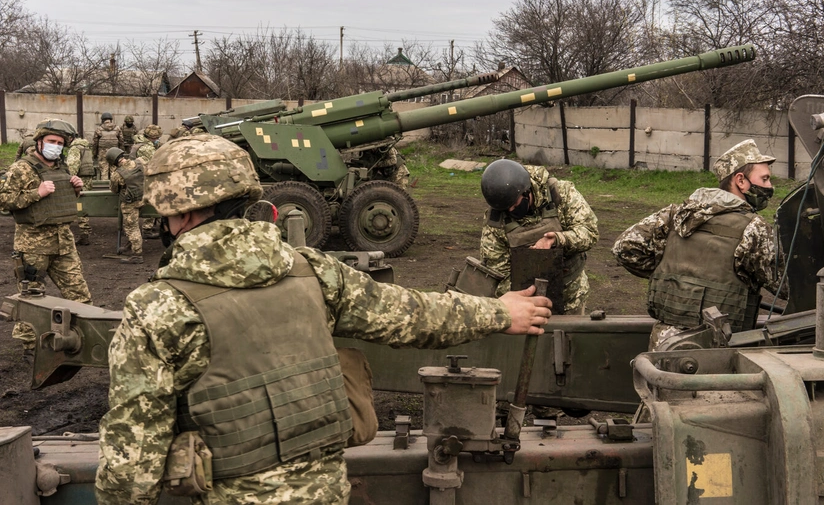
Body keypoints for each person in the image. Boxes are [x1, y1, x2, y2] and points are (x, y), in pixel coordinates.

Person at [95, 135, 552, 504]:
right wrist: (499, 311)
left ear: (184, 211)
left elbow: (131, 470)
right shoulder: (312, 268)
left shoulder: (156, 307)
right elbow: (410, 314)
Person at [612, 139, 784, 351]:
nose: (769, 186)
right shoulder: (754, 228)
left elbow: (624, 247)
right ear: (740, 180)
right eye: (765, 179)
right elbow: (785, 285)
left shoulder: (676, 214)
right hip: (717, 351)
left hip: (663, 347)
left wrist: (669, 276)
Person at [0, 119, 93, 357]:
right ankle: (30, 350)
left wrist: (76, 188)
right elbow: (4, 201)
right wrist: (36, 193)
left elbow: (62, 199)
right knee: (31, 297)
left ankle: (86, 341)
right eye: (52, 141)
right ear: (39, 142)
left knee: (79, 294)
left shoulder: (62, 167)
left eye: (60, 143)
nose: (56, 146)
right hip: (33, 245)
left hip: (64, 242)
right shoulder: (22, 168)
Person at [479, 159, 599, 314]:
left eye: (515, 205)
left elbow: (589, 232)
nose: (511, 211)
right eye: (506, 209)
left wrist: (558, 239)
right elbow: (498, 272)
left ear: (526, 191)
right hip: (526, 305)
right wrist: (520, 304)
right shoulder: (495, 221)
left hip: (571, 296)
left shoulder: (561, 193)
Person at [106, 147, 145, 264]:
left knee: (131, 227)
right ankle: (130, 245)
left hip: (129, 203)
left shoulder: (117, 174)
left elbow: (114, 190)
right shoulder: (140, 162)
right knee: (134, 224)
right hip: (143, 198)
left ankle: (137, 254)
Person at [65, 129, 96, 246]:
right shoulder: (85, 146)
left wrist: (69, 178)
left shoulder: (75, 148)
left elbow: (72, 166)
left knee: (79, 205)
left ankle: (84, 234)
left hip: (79, 179)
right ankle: (85, 232)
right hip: (88, 178)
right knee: (84, 204)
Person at [130, 125, 161, 238]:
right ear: (152, 137)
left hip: (136, 178)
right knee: (151, 201)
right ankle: (147, 229)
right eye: (157, 138)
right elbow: (153, 164)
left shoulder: (138, 144)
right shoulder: (147, 148)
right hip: (145, 179)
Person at [93, 112, 123, 179]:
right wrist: (121, 152)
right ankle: (114, 186)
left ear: (102, 120)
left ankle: (104, 186)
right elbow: (121, 141)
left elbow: (95, 143)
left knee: (104, 170)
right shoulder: (117, 128)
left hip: (103, 152)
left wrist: (94, 153)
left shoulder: (99, 129)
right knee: (114, 169)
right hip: (115, 152)